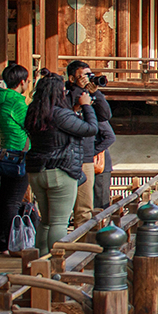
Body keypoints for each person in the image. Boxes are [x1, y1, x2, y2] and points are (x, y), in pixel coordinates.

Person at [24, 73, 99, 253]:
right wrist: (86, 106)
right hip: (60, 169)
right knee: (59, 221)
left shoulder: (33, 112)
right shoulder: (59, 114)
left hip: (36, 170)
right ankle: (56, 264)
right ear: (59, 92)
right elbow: (91, 129)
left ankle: (39, 262)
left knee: (46, 220)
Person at [65, 61, 115, 222]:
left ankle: (83, 245)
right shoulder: (65, 94)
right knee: (64, 208)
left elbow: (105, 116)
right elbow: (67, 113)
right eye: (84, 76)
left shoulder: (91, 96)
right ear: (72, 78)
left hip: (86, 157)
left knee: (85, 209)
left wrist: (96, 94)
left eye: (90, 75)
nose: (88, 79)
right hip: (67, 155)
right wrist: (80, 93)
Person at [0, 63, 31, 255]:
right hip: (20, 154)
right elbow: (29, 124)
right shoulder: (17, 101)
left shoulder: (1, 98)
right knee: (13, 201)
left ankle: (2, 241)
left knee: (5, 199)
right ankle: (10, 244)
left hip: (6, 151)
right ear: (23, 82)